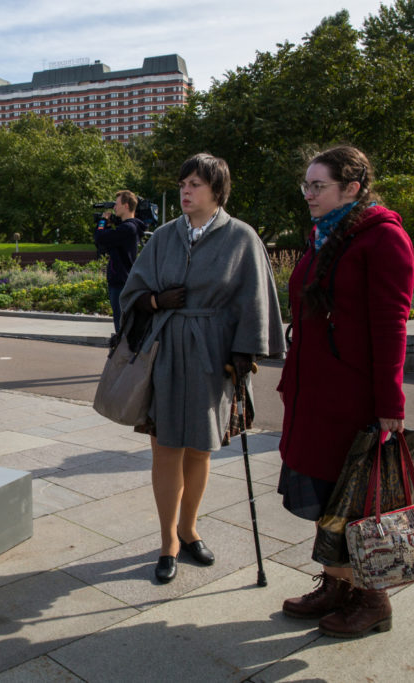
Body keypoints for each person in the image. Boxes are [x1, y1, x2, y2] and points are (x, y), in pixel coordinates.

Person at [120, 153, 284, 584]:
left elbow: (255, 299)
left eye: (195, 184)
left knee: (201, 446)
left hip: (215, 354)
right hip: (168, 350)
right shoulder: (163, 237)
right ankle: (167, 542)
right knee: (166, 446)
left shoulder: (242, 237)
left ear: (217, 191)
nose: (186, 191)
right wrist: (156, 302)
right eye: (183, 184)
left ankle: (189, 529)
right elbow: (132, 292)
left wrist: (246, 353)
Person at [277, 145, 414, 638]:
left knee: (355, 498)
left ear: (351, 188)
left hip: (352, 397)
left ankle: (372, 597)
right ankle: (337, 584)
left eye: (319, 186)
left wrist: (389, 406)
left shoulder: (382, 239)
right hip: (315, 393)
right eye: (306, 185)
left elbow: (391, 326)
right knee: (323, 492)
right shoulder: (326, 234)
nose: (309, 194)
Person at [94, 190, 143, 333]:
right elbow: (108, 244)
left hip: (120, 281)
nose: (114, 208)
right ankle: (123, 350)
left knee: (121, 323)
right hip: (121, 279)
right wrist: (108, 226)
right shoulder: (129, 228)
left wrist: (102, 222)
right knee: (121, 321)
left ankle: (123, 352)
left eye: (117, 204)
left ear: (126, 206)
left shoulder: (128, 228)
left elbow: (100, 237)